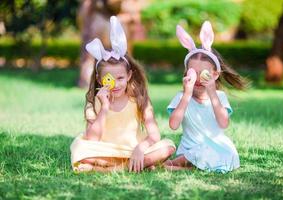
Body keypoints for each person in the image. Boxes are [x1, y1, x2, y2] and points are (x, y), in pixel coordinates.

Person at [70, 16, 175, 173]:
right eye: (109, 79)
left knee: (167, 148)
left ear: (129, 76)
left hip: (134, 150)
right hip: (105, 151)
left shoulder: (139, 99)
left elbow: (154, 135)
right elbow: (92, 139)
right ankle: (130, 167)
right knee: (82, 152)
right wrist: (104, 108)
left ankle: (106, 169)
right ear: (99, 79)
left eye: (120, 78)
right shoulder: (95, 102)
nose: (116, 84)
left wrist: (140, 148)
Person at [164, 21, 248, 173]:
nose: (197, 79)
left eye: (203, 73)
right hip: (189, 150)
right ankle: (178, 164)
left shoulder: (219, 97)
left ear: (215, 75)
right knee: (200, 152)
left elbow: (223, 123)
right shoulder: (182, 97)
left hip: (215, 146)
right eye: (192, 73)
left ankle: (178, 167)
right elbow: (173, 125)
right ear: (186, 73)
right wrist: (187, 95)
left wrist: (212, 93)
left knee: (229, 154)